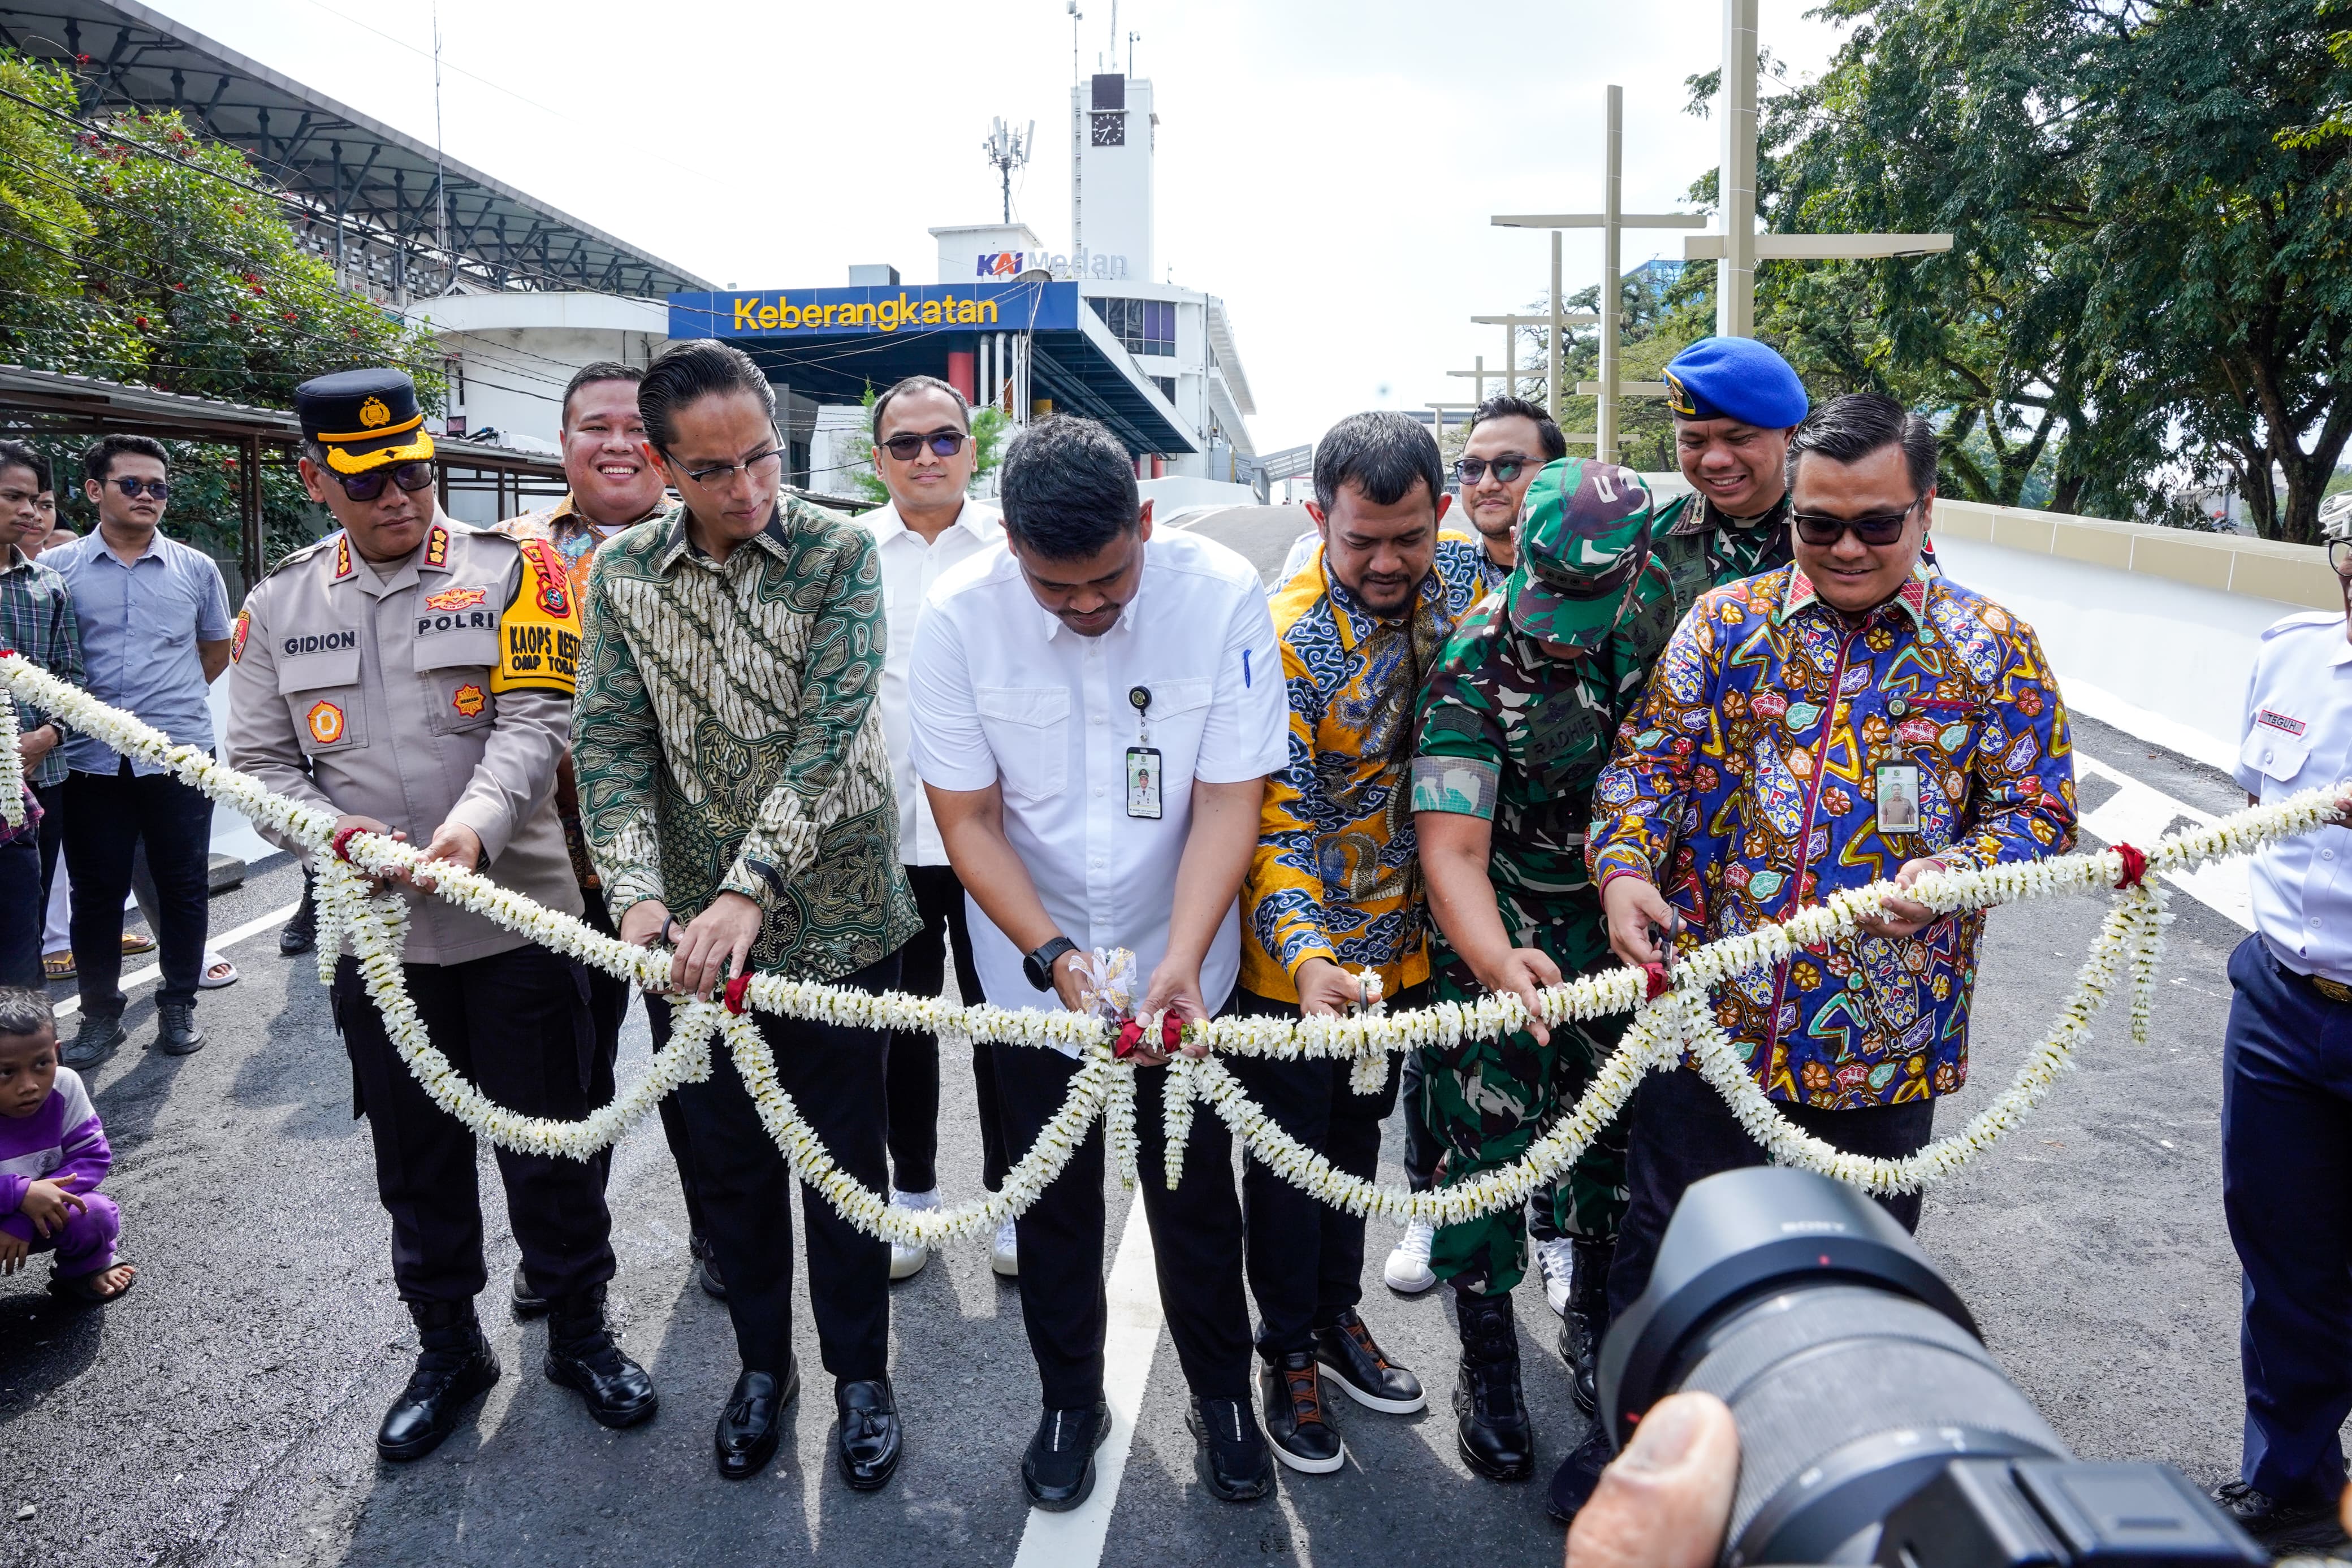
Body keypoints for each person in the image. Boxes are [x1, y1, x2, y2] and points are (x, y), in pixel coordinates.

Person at [1581, 393, 2076, 1518]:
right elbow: (1641, 770)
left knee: (1845, 1279)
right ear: (1792, 513)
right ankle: (1640, 1481)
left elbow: (2041, 814)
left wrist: (1961, 870)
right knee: (1666, 1262)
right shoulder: (1722, 624)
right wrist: (1623, 872)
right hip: (1706, 1030)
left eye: (1876, 523)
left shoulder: (1989, 647)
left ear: (1925, 506)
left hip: (1881, 1054)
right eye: (1819, 525)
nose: (1847, 548)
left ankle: (1812, 1489)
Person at [228, 368, 655, 1461]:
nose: (399, 498)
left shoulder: (518, 569)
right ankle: (449, 1347)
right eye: (369, 482)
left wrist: (468, 830)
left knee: (553, 1143)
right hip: (377, 937)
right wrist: (339, 839)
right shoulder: (277, 605)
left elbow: (535, 719)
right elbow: (263, 764)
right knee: (415, 1160)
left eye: (415, 473)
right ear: (319, 480)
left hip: (518, 915)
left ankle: (578, 1330)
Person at [911, 414, 1286, 1510]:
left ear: (1146, 523)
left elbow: (1230, 796)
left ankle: (1221, 1396)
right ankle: (1069, 1395)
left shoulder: (1218, 595)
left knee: (1194, 1192)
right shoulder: (959, 614)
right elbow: (969, 820)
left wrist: (1177, 955)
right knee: (1054, 1200)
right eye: (1054, 589)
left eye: (1107, 584)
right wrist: (1053, 954)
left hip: (1184, 947)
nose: (1083, 608)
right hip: (1031, 962)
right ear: (1011, 550)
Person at [572, 340, 916, 1489]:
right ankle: (761, 1368)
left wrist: (746, 888)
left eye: (760, 456)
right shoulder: (621, 574)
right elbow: (610, 742)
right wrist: (631, 889)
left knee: (840, 1166)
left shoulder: (838, 551)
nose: (747, 487)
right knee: (727, 1166)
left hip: (834, 915)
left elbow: (831, 738)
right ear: (663, 464)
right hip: (688, 948)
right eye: (713, 469)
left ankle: (861, 1377)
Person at [1410, 456, 1678, 1497]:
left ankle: (1593, 1322)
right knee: (1488, 1149)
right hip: (1505, 929)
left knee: (1611, 1141)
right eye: (1545, 589)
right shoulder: (1474, 662)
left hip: (1622, 931)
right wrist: (1490, 957)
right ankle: (1488, 1364)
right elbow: (1453, 850)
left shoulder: (1655, 608)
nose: (1559, 623)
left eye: (1584, 602)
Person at [1237, 410, 1487, 1472]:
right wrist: (1309, 962)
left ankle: (1337, 1321)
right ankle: (1284, 1348)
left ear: (1443, 513)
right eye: (1361, 542)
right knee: (1290, 1171)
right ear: (1317, 520)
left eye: (1410, 537)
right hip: (1295, 967)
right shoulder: (1284, 640)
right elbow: (1268, 819)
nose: (1388, 564)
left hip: (1412, 955)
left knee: (1355, 1154)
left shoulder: (1471, 587)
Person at [492, 360, 717, 1311]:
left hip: (688, 872)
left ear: (667, 450)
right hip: (552, 870)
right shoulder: (503, 553)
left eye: (636, 427)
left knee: (699, 1069)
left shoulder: (721, 542)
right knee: (557, 1083)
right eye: (595, 425)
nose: (617, 442)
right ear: (563, 444)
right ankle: (564, 1255)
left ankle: (723, 1232)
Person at [1389, 395, 1576, 1303]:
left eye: (1511, 464)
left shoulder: (1620, 585)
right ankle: (1437, 1204)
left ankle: (1554, 1227)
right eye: (1473, 468)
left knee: (1571, 1084)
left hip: (1571, 892)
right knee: (1450, 1068)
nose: (1488, 482)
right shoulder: (1439, 586)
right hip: (1448, 876)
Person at [2207, 492, 2352, 1554]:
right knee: (2285, 1255)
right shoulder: (2291, 655)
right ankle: (2294, 1477)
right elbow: (2259, 801)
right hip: (2283, 1004)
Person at [856, 373, 1014, 1283]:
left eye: (944, 439)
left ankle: (1010, 1197)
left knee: (1006, 1020)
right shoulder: (846, 553)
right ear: (879, 459)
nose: (926, 457)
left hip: (994, 832)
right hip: (886, 837)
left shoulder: (1010, 543)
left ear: (971, 448)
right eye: (906, 443)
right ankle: (909, 1194)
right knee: (896, 1027)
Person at [44, 436, 231, 1064]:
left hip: (179, 757)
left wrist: (163, 717)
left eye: (159, 487)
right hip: (89, 763)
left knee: (182, 886)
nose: (149, 496)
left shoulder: (197, 569)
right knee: (96, 891)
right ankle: (101, 1016)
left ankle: (178, 1004)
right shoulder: (59, 573)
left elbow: (213, 652)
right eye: (133, 485)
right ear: (95, 490)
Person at [1648, 336, 1810, 617]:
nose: (1715, 461)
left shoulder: (1841, 533)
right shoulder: (1648, 542)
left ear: (1788, 433)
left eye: (1739, 439)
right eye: (1694, 443)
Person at [0, 989, 134, 1303]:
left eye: (42, 1064)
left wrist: (23, 1215)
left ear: (56, 1053)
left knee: (95, 1214)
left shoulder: (65, 1084)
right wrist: (20, 1195)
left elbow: (91, 1158)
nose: (29, 1085)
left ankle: (82, 1270)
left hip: (42, 1210)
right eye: (6, 1072)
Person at [0, 441, 81, 950]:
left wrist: (47, 736)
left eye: (35, 499)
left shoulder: (46, 585)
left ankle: (24, 1029)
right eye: (14, 497)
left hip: (39, 780)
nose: (30, 511)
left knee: (21, 929)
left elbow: (71, 677)